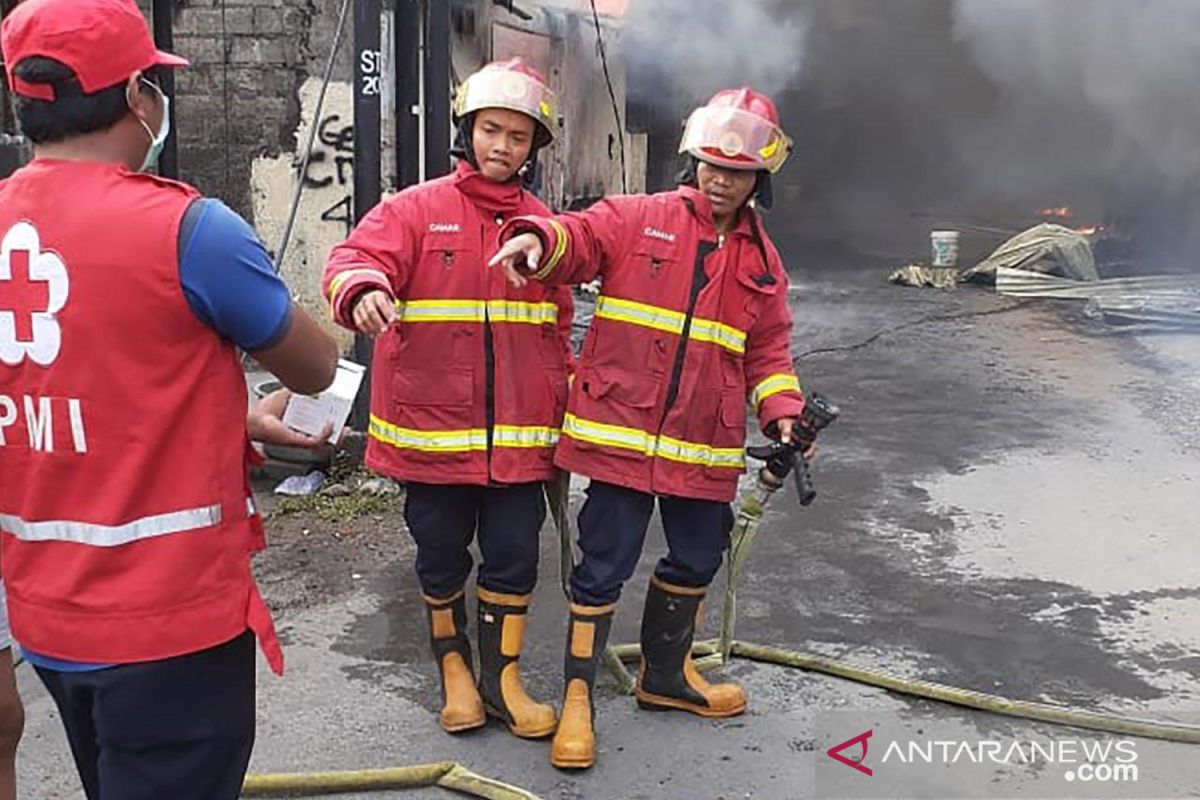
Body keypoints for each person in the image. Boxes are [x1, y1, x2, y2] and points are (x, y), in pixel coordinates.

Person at [0, 0, 339, 796]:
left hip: (46, 623)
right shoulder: (191, 230)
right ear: (135, 97)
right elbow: (318, 365)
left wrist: (229, 423)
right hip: (170, 628)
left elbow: (79, 391)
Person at [491, 87, 821, 769]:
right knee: (601, 567)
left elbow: (768, 353)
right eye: (709, 165)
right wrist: (535, 237)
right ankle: (577, 701)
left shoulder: (764, 265)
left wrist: (783, 413)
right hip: (619, 440)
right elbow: (577, 239)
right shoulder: (638, 218)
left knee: (700, 556)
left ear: (761, 177)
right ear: (691, 160)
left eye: (735, 171)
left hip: (703, 444)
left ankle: (665, 677)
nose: (720, 180)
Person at [323, 59, 573, 739]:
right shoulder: (415, 209)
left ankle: (503, 678)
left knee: (516, 555)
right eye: (491, 130)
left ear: (533, 148)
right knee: (439, 554)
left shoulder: (544, 227)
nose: (502, 146)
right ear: (468, 131)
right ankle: (454, 668)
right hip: (433, 438)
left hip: (521, 441)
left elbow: (560, 320)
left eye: (518, 137)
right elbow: (352, 258)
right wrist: (365, 290)